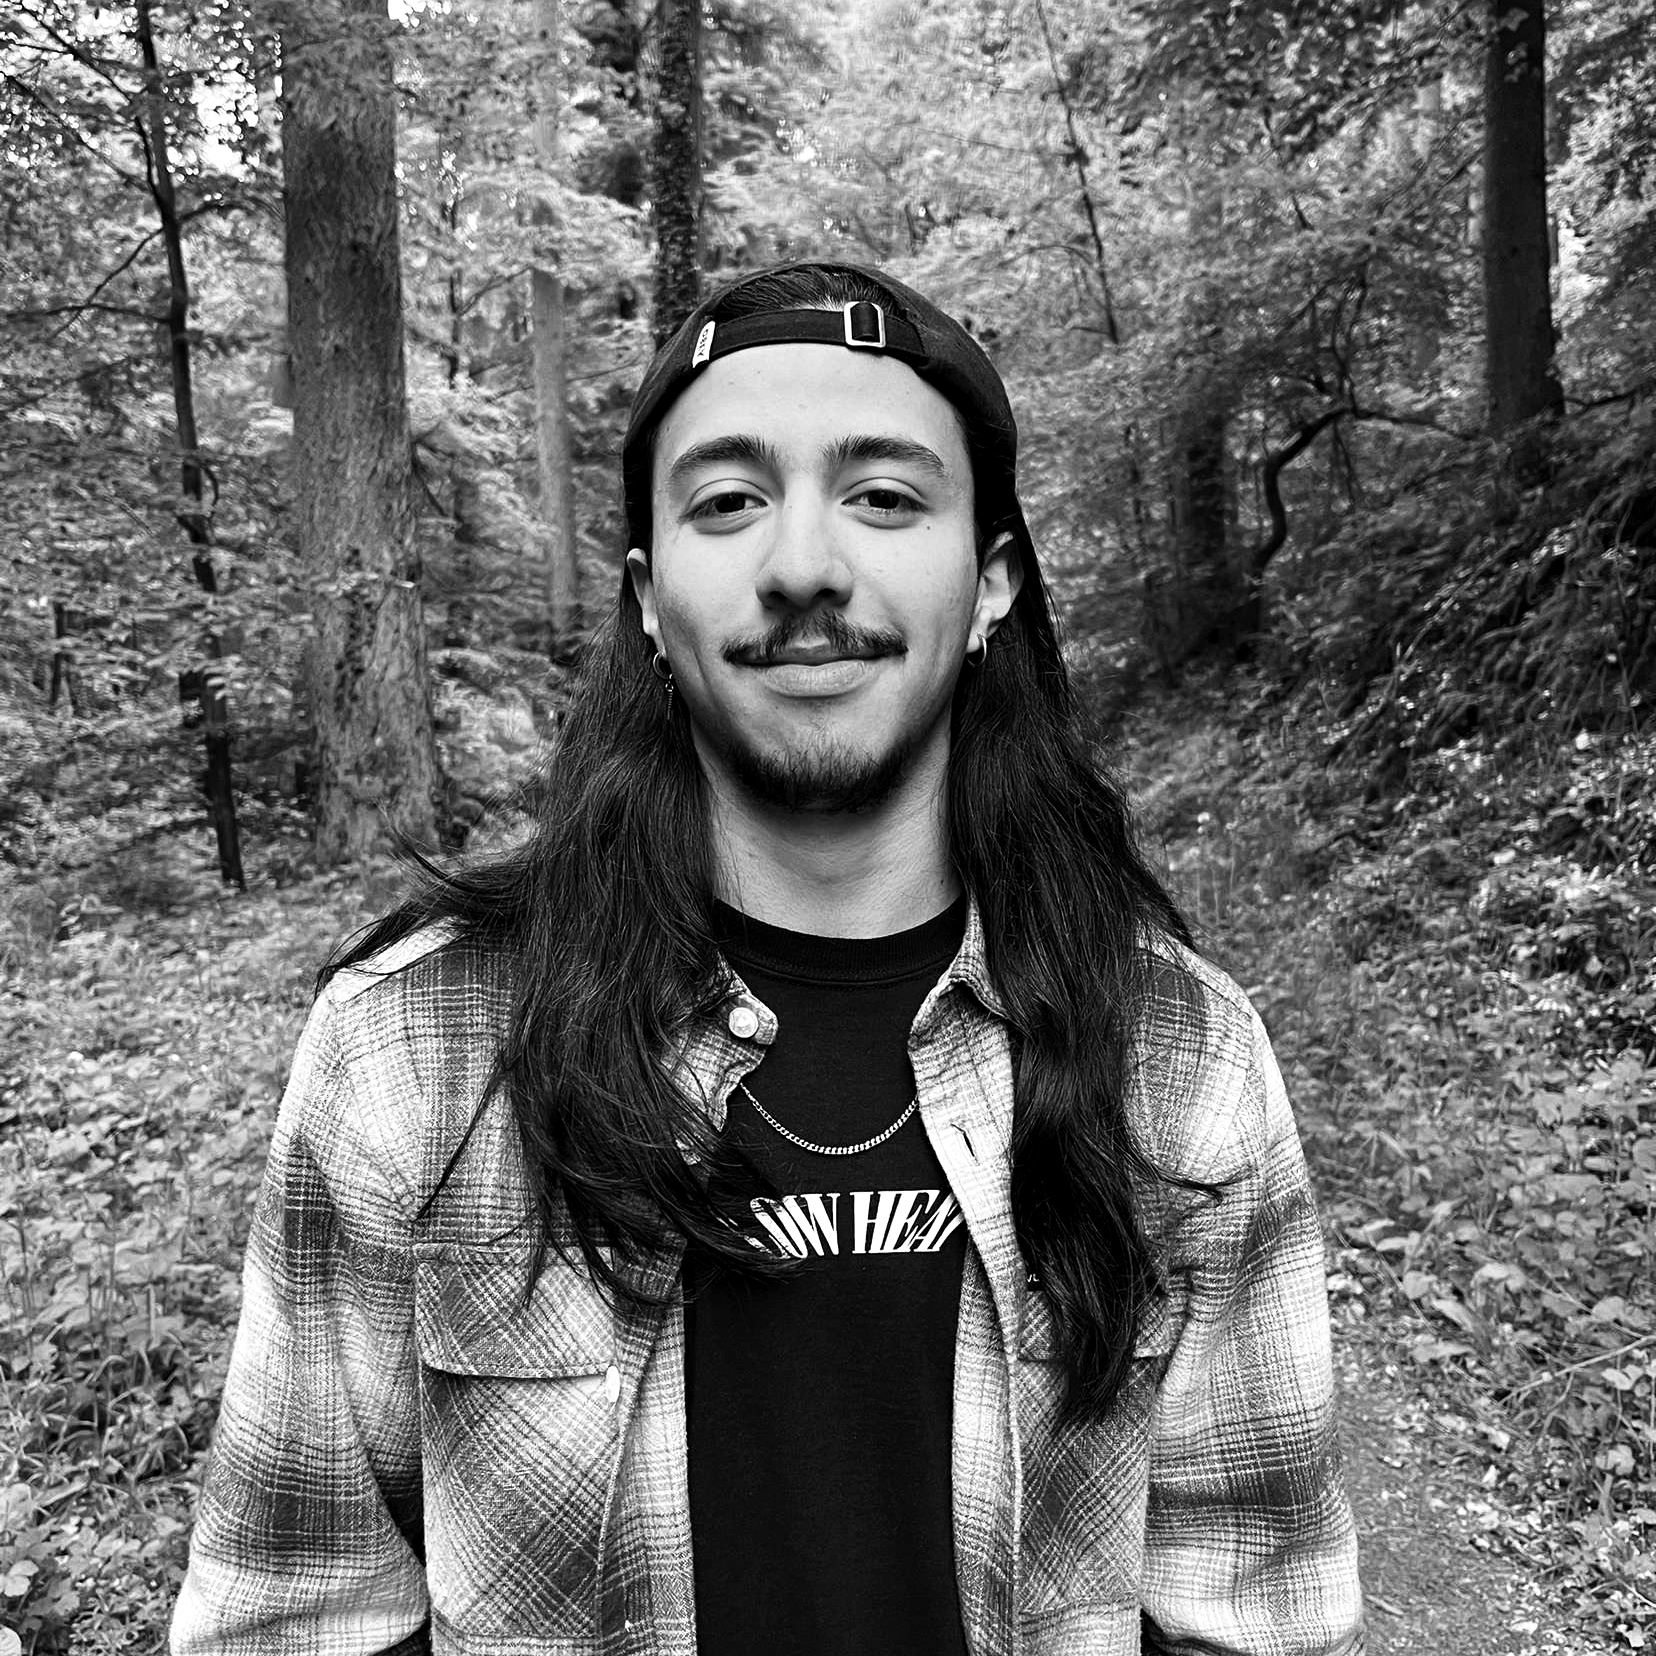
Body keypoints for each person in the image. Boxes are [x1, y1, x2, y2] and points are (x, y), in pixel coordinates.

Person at [172, 261, 1363, 1656]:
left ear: (990, 583)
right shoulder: (412, 1052)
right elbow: (295, 1613)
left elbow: (1255, 1617)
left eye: (884, 497)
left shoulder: (1179, 1060)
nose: (803, 566)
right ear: (647, 598)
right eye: (729, 501)